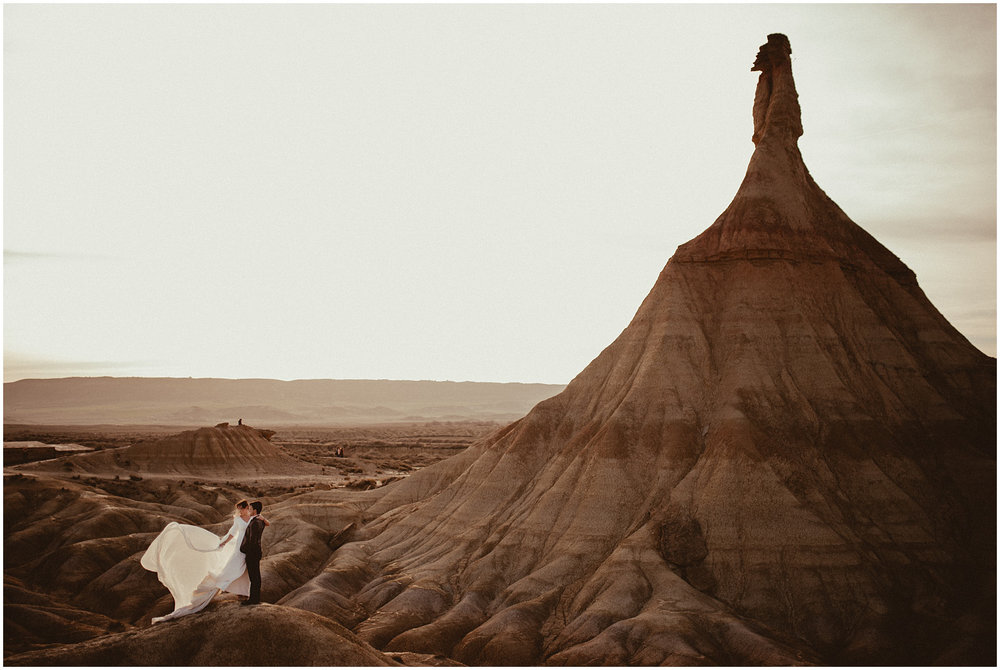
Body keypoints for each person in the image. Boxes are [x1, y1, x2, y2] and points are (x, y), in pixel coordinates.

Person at [140, 499, 269, 622]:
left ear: (248, 509)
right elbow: (232, 533)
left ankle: (244, 594)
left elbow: (265, 524)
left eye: (242, 509)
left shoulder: (254, 519)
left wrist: (262, 518)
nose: (240, 512)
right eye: (239, 510)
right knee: (231, 569)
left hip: (247, 549)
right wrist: (223, 543)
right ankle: (209, 589)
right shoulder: (239, 520)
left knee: (245, 572)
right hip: (239, 549)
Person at [240, 500, 266, 605]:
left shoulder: (255, 522)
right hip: (256, 552)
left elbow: (252, 540)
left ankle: (253, 600)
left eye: (250, 509)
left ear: (254, 510)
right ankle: (255, 598)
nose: (248, 510)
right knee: (255, 577)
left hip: (252, 553)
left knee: (254, 577)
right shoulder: (260, 521)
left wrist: (246, 550)